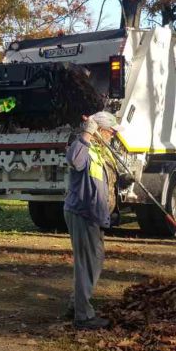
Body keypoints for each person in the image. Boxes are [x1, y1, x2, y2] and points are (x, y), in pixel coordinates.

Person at [63, 111, 122, 330]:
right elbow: (74, 160)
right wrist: (87, 133)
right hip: (82, 212)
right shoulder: (82, 145)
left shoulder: (100, 150)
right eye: (111, 132)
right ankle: (83, 316)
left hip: (93, 215)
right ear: (100, 130)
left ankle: (75, 305)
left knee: (92, 262)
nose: (113, 136)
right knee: (87, 263)